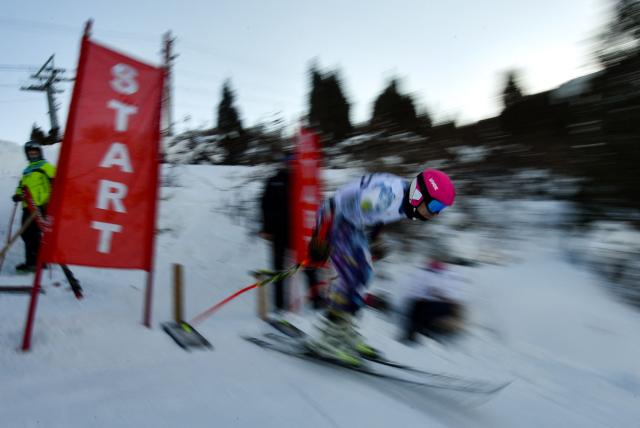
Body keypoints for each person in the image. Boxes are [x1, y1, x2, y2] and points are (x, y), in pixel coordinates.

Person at [306, 168, 456, 366]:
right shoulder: (388, 195)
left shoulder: (405, 199)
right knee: (353, 277)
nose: (435, 213)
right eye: (435, 205)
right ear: (420, 194)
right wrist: (319, 238)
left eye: (440, 209)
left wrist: (373, 241)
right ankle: (329, 338)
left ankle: (344, 330)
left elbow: (378, 216)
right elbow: (336, 204)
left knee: (364, 274)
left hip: (352, 224)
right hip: (337, 219)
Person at [260, 154, 323, 312]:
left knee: (309, 266)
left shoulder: (304, 181)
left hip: (300, 234)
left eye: (295, 163)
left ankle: (316, 300)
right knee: (279, 270)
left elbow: (314, 205)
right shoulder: (274, 181)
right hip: (278, 234)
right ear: (284, 164)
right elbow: (265, 206)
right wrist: (266, 229)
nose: (292, 166)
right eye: (289, 163)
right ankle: (280, 306)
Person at [11, 141, 56, 273]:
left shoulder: (46, 166)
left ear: (40, 153)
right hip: (27, 207)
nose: (33, 155)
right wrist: (17, 195)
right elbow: (22, 187)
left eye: (35, 152)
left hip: (40, 207)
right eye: (30, 153)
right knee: (26, 234)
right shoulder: (27, 171)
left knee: (34, 234)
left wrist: (49, 202)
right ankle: (31, 262)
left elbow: (56, 182)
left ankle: (38, 263)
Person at [399, 260, 466, 344]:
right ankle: (416, 332)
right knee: (418, 307)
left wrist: (439, 294)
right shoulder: (427, 274)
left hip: (441, 304)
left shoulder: (447, 275)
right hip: (432, 303)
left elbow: (451, 293)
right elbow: (417, 291)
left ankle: (414, 332)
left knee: (419, 308)